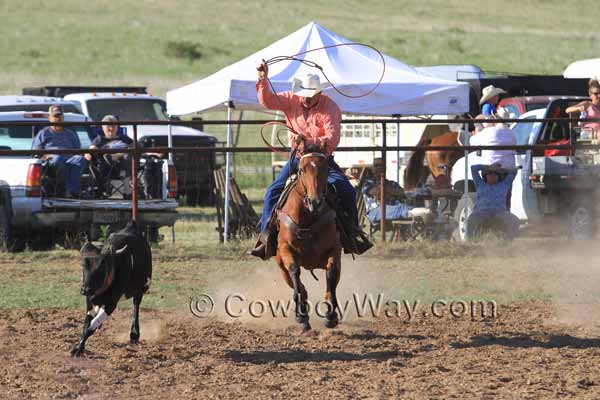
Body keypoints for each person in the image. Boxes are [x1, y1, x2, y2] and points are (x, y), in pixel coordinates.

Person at [250, 59, 372, 259]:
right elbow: (267, 101)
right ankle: (265, 238)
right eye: (304, 95)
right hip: (298, 159)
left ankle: (353, 234)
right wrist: (263, 78)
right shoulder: (290, 99)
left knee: (346, 190)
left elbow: (331, 138)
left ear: (318, 93)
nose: (306, 99)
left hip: (322, 161)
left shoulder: (329, 107)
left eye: (310, 95)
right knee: (272, 191)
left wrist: (305, 140)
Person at [32, 104, 88, 198]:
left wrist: (78, 155)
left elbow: (78, 150)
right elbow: (36, 152)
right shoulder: (43, 133)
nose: (58, 119)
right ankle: (65, 190)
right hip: (52, 161)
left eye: (60, 116)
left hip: (69, 159)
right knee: (58, 159)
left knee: (80, 159)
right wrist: (45, 156)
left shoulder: (70, 133)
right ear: (49, 118)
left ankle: (73, 191)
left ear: (63, 117)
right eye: (55, 116)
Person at [467, 163, 519, 240]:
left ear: (499, 176)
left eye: (495, 174)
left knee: (514, 220)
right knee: (471, 219)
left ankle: (508, 241)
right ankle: (471, 242)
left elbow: (514, 171)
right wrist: (488, 167)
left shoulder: (504, 185)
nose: (492, 175)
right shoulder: (480, 184)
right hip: (481, 212)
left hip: (500, 212)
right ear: (485, 175)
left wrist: (502, 169)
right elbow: (473, 168)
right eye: (489, 173)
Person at [85, 115, 133, 196]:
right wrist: (88, 153)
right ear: (103, 127)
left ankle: (128, 189)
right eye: (108, 125)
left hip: (124, 164)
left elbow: (136, 146)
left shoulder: (124, 138)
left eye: (113, 125)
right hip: (106, 168)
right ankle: (126, 191)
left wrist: (119, 155)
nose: (111, 128)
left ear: (117, 127)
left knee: (129, 154)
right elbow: (92, 148)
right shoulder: (100, 139)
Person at [362, 158, 410, 224]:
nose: (378, 168)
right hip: (375, 211)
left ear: (384, 168)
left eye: (381, 165)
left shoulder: (392, 183)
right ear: (372, 169)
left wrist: (386, 190)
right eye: (376, 165)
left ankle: (411, 212)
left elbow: (403, 193)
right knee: (404, 208)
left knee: (403, 207)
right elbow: (378, 193)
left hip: (393, 208)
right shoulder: (368, 182)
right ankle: (411, 212)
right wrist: (393, 192)